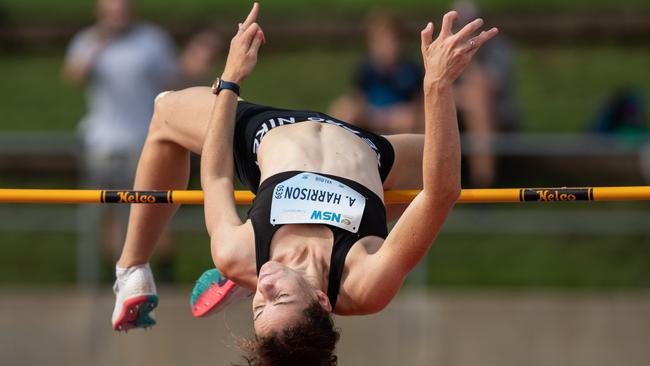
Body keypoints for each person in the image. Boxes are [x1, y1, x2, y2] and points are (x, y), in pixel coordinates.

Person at [111, 3, 498, 364]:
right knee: (444, 157)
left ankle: (131, 271)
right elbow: (440, 193)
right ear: (320, 300)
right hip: (369, 154)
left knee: (164, 111)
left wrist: (230, 79)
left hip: (266, 135)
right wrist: (437, 86)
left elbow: (215, 174)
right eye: (276, 297)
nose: (264, 291)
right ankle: (225, 281)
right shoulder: (363, 283)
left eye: (257, 306)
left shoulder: (238, 252)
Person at [62, 0, 178, 281]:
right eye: (110, 10)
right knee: (110, 214)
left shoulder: (152, 40)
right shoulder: (88, 40)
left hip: (143, 141)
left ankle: (162, 275)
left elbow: (174, 81)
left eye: (122, 8)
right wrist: (97, 46)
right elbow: (72, 76)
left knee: (152, 210)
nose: (117, 15)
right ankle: (118, 275)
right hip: (101, 142)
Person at [451, 0, 519, 188]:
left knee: (478, 105)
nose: (466, 30)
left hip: (495, 112)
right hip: (458, 108)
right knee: (430, 107)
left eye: (470, 23)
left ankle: (483, 183)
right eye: (461, 25)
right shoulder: (447, 49)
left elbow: (489, 88)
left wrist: (470, 57)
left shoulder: (499, 48)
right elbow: (437, 86)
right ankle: (426, 185)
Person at [328, 11, 424, 134]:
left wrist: (394, 115)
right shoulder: (366, 69)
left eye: (392, 42)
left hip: (399, 117)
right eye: (382, 42)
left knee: (412, 119)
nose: (388, 47)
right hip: (372, 115)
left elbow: (419, 104)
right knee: (343, 109)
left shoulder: (411, 70)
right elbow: (357, 98)